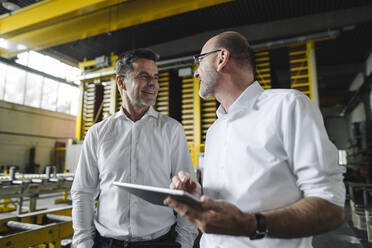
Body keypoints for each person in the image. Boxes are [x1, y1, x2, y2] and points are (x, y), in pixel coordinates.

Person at [164, 31, 345, 248]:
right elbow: (233, 201)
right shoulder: (215, 130)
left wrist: (251, 224)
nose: (195, 72)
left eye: (200, 60)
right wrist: (196, 195)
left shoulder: (288, 107)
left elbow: (330, 207)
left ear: (221, 58)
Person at [71, 48, 198, 248]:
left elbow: (188, 193)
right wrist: (83, 243)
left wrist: (184, 243)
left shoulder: (172, 130)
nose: (153, 84)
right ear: (121, 82)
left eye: (155, 77)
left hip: (159, 242)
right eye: (144, 76)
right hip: (107, 242)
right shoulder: (98, 133)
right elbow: (83, 192)